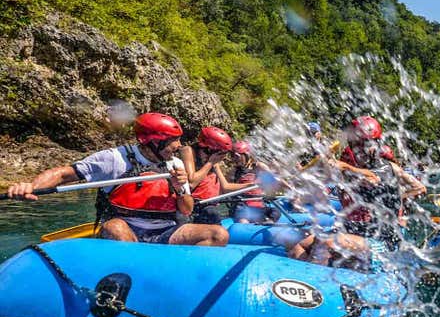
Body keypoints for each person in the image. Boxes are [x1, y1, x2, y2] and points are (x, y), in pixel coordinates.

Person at [6, 112, 229, 246]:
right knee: (114, 228)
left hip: (166, 231)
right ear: (153, 141)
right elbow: (63, 174)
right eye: (173, 141)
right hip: (127, 228)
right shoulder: (114, 159)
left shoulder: (175, 164)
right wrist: (32, 186)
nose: (179, 146)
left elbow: (187, 210)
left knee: (218, 235)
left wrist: (180, 188)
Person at [331, 116, 425, 244]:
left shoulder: (387, 167)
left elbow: (372, 178)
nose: (356, 151)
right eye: (354, 145)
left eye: (360, 145)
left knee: (329, 243)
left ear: (374, 145)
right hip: (360, 229)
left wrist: (344, 167)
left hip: (382, 240)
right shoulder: (359, 170)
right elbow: (420, 188)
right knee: (307, 243)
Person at [215, 140, 281, 224]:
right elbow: (226, 188)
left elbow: (273, 178)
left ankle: (269, 222)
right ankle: (245, 225)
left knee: (276, 211)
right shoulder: (233, 171)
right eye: (232, 156)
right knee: (242, 217)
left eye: (236, 156)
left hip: (257, 204)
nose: (234, 159)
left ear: (246, 155)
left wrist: (277, 180)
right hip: (242, 204)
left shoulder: (258, 166)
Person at [180, 126, 233, 224]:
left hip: (211, 205)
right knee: (212, 215)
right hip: (197, 207)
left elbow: (225, 187)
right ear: (208, 150)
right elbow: (191, 183)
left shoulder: (213, 162)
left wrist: (252, 185)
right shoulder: (188, 151)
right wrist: (210, 162)